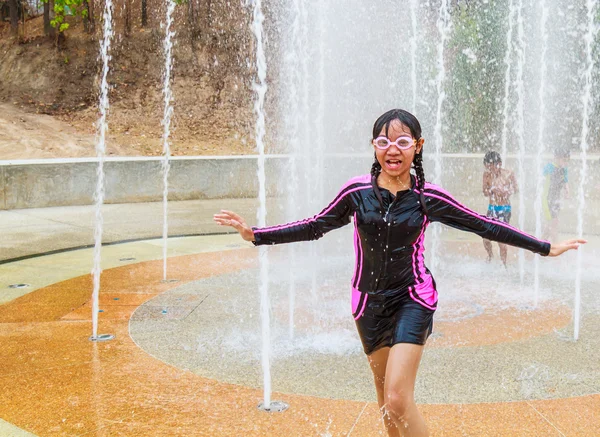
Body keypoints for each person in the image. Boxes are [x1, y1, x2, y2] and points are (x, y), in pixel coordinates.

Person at [214, 109, 585, 437]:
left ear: (417, 146)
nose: (393, 149)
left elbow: (483, 225)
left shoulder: (428, 197)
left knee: (397, 397)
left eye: (402, 141)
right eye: (383, 141)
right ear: (374, 147)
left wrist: (545, 248)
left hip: (413, 298)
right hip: (367, 304)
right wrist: (256, 235)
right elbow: (315, 225)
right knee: (386, 404)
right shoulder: (355, 192)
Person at [482, 150, 518, 266]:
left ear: (499, 163)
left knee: (501, 240)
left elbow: (516, 189)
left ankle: (504, 265)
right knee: (486, 238)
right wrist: (491, 190)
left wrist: (506, 191)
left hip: (504, 209)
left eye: (492, 166)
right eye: (488, 167)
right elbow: (485, 192)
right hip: (492, 208)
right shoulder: (486, 175)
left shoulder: (509, 173)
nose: (490, 169)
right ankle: (490, 255)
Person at [543, 148, 570, 242]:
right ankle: (555, 246)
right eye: (564, 160)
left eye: (567, 160)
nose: (566, 162)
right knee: (553, 224)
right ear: (557, 158)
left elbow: (565, 181)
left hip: (556, 199)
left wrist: (567, 191)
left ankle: (539, 246)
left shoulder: (564, 169)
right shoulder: (549, 167)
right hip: (547, 199)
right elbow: (541, 180)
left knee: (549, 226)